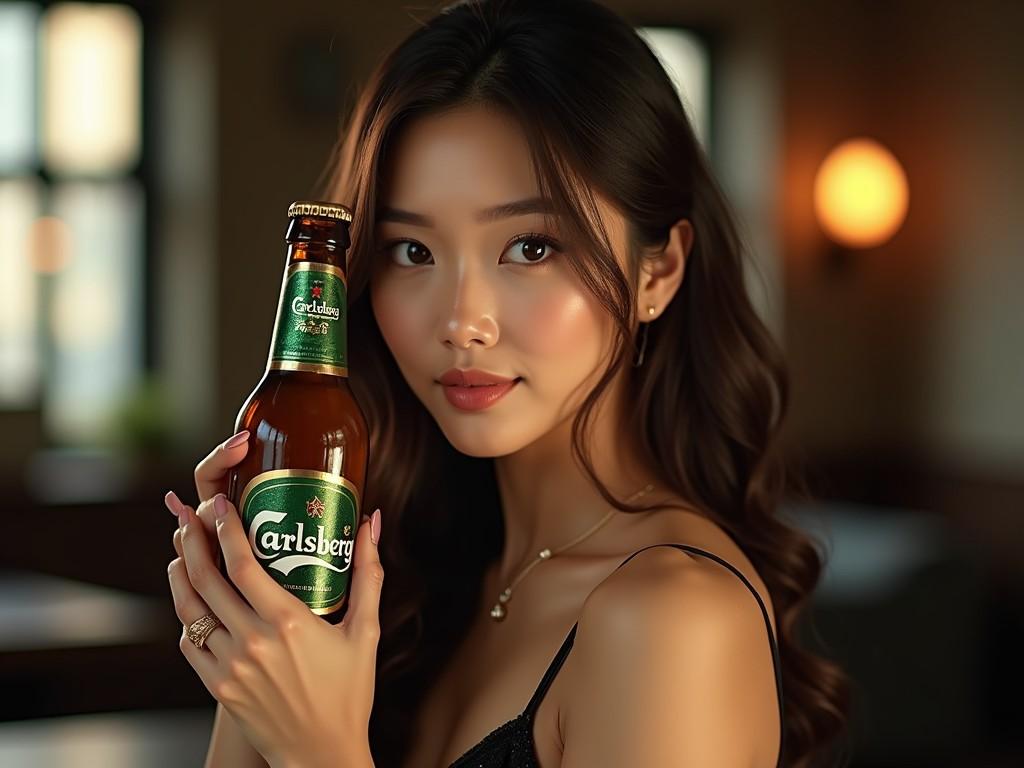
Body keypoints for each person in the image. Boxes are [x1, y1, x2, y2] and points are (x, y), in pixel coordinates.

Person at [164, 1, 851, 766]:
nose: (463, 322)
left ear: (658, 269)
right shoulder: (421, 574)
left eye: (530, 246)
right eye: (412, 251)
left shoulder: (673, 619)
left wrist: (323, 751)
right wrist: (264, 619)